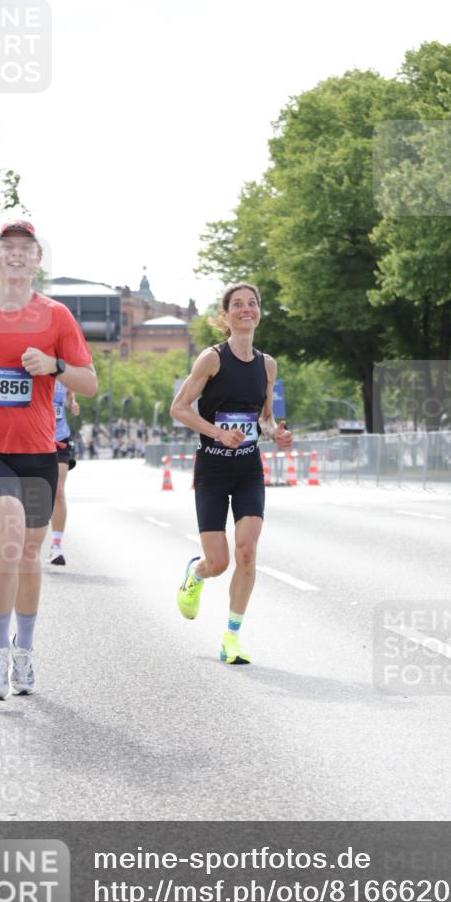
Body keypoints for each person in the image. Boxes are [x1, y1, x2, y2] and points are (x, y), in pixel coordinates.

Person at [0, 219, 97, 699]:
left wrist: (55, 366)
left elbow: (89, 382)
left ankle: (24, 651)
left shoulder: (56, 317)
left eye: (25, 249)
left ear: (37, 261)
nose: (15, 254)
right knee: (8, 539)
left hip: (37, 451)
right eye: (6, 247)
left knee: (28, 553)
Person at [170, 282, 292, 665]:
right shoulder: (211, 359)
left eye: (252, 303)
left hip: (248, 471)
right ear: (225, 316)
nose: (246, 309)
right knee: (219, 563)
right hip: (212, 469)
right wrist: (219, 433)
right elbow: (180, 408)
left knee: (247, 550)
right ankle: (196, 573)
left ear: (259, 312)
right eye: (237, 305)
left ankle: (232, 637)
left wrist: (276, 433)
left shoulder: (267, 365)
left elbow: (264, 418)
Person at [48, 380, 80, 566]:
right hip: (34, 437)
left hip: (59, 438)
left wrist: (72, 404)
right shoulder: (35, 365)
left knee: (58, 490)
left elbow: (69, 396)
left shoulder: (64, 369)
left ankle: (56, 546)